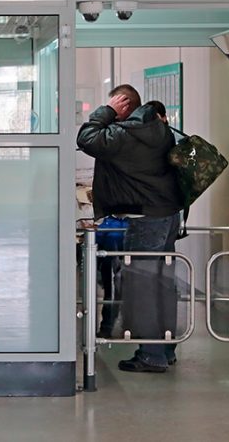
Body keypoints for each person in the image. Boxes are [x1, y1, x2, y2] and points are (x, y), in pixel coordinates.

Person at [77, 85, 183, 373]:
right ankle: (165, 349)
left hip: (144, 218)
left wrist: (106, 111)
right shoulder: (158, 128)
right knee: (162, 284)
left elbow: (87, 139)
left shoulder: (127, 133)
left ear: (123, 105)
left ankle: (151, 355)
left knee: (142, 286)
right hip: (167, 214)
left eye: (114, 104)